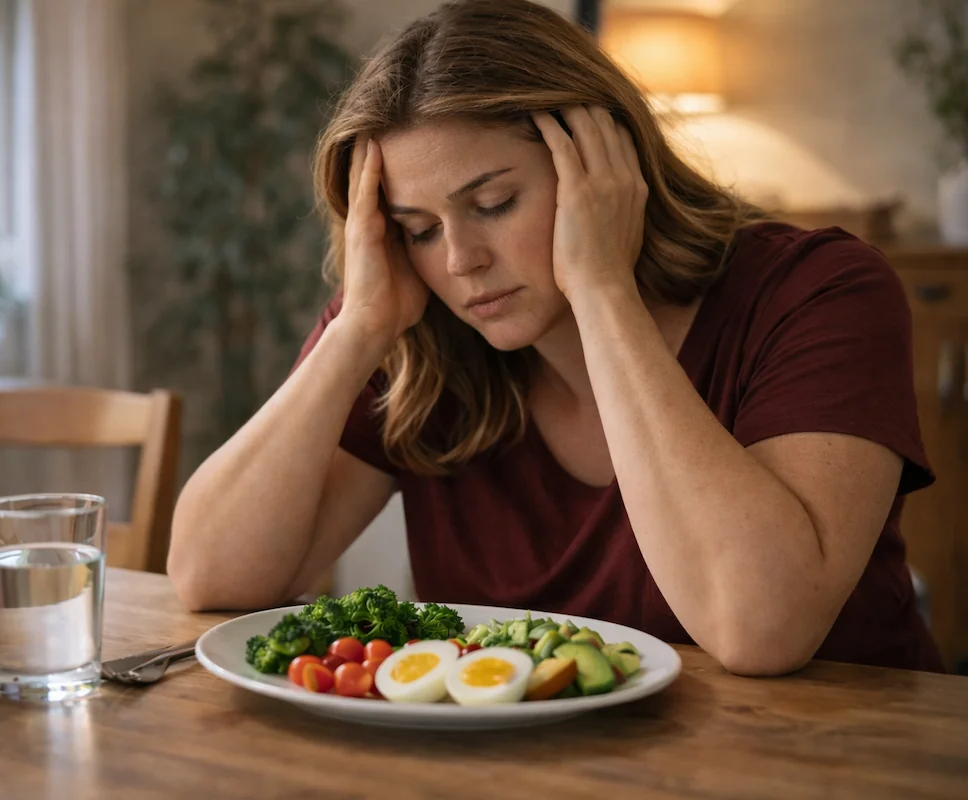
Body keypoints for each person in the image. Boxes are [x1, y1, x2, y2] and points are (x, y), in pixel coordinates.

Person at [167, 0, 943, 675]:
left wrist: (602, 290)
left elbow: (759, 629)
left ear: (605, 166)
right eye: (418, 229)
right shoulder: (415, 323)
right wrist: (358, 328)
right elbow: (209, 575)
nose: (461, 261)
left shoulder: (819, 290)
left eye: (496, 203)